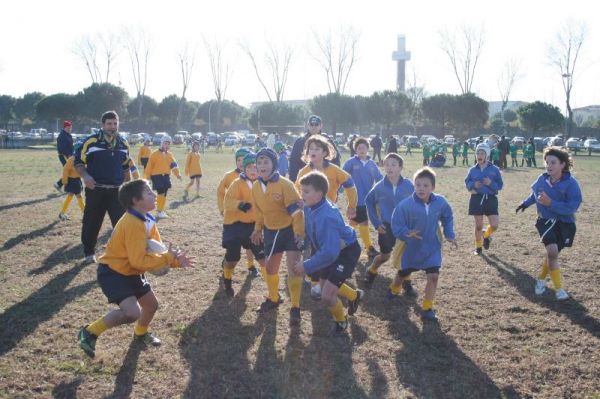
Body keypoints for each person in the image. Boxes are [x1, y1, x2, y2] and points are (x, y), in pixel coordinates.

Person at [77, 179, 194, 358]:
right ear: (135, 200)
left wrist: (174, 261)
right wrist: (168, 258)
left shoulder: (148, 219)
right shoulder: (132, 223)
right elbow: (139, 261)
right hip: (114, 273)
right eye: (148, 193)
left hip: (132, 271)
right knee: (132, 313)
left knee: (151, 306)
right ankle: (89, 332)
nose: (154, 195)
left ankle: (140, 334)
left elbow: (157, 250)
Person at [292, 171, 364, 334]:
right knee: (325, 286)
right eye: (301, 190)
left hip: (345, 252)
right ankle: (354, 296)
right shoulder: (312, 205)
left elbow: (330, 253)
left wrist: (307, 265)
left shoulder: (327, 216)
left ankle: (341, 322)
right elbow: (313, 228)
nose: (302, 194)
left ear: (319, 194)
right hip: (328, 248)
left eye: (306, 191)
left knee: (326, 296)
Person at [295, 135, 359, 299]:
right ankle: (315, 280)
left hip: (329, 216)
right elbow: (298, 196)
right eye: (310, 149)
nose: (313, 151)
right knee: (313, 247)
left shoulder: (333, 169)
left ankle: (322, 281)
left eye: (317, 149)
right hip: (311, 215)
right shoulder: (303, 172)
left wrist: (352, 205)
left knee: (326, 248)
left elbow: (350, 184)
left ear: (325, 152)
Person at [390, 167, 456, 320]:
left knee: (433, 276)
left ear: (433, 187)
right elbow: (396, 224)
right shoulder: (405, 205)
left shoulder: (440, 202)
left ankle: (427, 308)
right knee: (403, 273)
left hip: (432, 247)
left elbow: (448, 216)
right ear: (414, 186)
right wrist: (407, 233)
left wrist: (449, 234)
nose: (421, 188)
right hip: (411, 248)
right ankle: (393, 290)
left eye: (425, 185)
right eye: (418, 185)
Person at [516, 147, 582, 300]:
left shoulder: (571, 184)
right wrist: (525, 203)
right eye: (547, 162)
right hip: (544, 221)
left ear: (563, 164)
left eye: (553, 162)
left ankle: (540, 279)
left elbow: (572, 207)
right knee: (552, 253)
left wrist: (551, 203)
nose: (549, 165)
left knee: (553, 255)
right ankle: (559, 290)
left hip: (565, 223)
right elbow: (535, 194)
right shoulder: (542, 179)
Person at [250, 148, 304, 325]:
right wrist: (258, 229)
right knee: (270, 269)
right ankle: (274, 298)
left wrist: (298, 234)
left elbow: (297, 213)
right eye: (259, 162)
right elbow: (259, 212)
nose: (262, 165)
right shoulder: (256, 187)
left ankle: (295, 307)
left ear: (274, 164)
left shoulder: (285, 184)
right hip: (271, 232)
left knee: (294, 269)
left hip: (289, 231)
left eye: (266, 162)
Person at [75, 111, 137, 264]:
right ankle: (89, 253)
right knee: (92, 222)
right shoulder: (91, 142)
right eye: (109, 123)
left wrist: (128, 187)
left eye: (115, 123)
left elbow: (125, 167)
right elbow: (78, 162)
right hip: (96, 189)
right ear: (102, 125)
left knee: (122, 223)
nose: (112, 126)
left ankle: (123, 253)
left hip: (117, 191)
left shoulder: (123, 143)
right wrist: (85, 176)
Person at [364, 153, 417, 297]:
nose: (389, 167)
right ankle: (372, 271)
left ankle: (406, 282)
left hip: (405, 227)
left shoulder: (409, 185)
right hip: (386, 226)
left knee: (407, 256)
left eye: (393, 164)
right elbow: (368, 202)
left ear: (400, 167)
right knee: (385, 256)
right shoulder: (379, 186)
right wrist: (376, 223)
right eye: (387, 164)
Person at [222, 153, 267, 296]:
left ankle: (273, 294)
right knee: (233, 258)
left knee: (262, 258)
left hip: (253, 227)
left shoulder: (263, 184)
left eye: (256, 166)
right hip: (234, 226)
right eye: (249, 167)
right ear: (244, 169)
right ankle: (227, 278)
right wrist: (240, 205)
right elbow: (227, 202)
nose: (253, 170)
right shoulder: (237, 183)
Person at [217, 147, 259, 277]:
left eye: (243, 160)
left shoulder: (256, 177)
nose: (241, 163)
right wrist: (222, 209)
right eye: (238, 160)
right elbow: (220, 192)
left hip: (250, 219)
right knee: (233, 247)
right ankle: (228, 263)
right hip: (234, 219)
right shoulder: (230, 176)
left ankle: (251, 265)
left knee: (250, 245)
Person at [342, 137, 383, 258]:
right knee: (363, 221)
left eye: (364, 148)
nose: (361, 150)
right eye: (359, 148)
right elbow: (342, 176)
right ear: (355, 150)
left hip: (367, 199)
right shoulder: (351, 162)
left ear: (368, 149)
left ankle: (343, 243)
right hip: (354, 199)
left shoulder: (371, 164)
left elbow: (379, 178)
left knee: (353, 222)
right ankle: (369, 248)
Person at [465, 143, 504, 255]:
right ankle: (478, 248)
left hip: (490, 199)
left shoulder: (494, 169)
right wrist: (473, 185)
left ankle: (486, 235)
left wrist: (490, 183)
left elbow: (500, 185)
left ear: (487, 155)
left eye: (482, 153)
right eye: (478, 153)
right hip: (476, 198)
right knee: (478, 225)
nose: (479, 155)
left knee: (495, 224)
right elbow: (467, 182)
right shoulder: (472, 170)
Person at [289, 115, 340, 182]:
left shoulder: (327, 140)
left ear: (321, 125)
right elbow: (294, 161)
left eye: (316, 124)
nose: (314, 127)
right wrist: (293, 179)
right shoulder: (300, 141)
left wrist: (334, 178)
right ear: (308, 125)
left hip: (325, 179)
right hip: (305, 179)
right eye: (311, 124)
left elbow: (335, 159)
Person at [144, 136, 182, 219]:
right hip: (157, 176)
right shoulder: (154, 154)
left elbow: (174, 166)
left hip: (166, 176)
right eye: (165, 143)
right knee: (161, 193)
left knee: (164, 193)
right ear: (161, 143)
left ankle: (161, 210)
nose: (167, 145)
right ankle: (159, 211)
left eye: (168, 144)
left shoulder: (170, 155)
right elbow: (149, 166)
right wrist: (147, 177)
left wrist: (178, 174)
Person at [58, 146, 85, 221]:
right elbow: (65, 170)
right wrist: (64, 181)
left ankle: (62, 213)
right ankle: (85, 214)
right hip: (73, 181)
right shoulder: (72, 159)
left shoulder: (82, 158)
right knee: (79, 196)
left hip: (77, 180)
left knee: (71, 195)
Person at [54, 120, 74, 192]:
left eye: (70, 127)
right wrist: (68, 155)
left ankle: (60, 185)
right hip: (63, 156)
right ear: (64, 128)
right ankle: (60, 184)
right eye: (68, 128)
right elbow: (61, 148)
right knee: (69, 170)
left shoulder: (68, 135)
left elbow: (70, 146)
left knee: (70, 171)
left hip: (69, 156)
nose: (69, 129)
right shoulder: (62, 136)